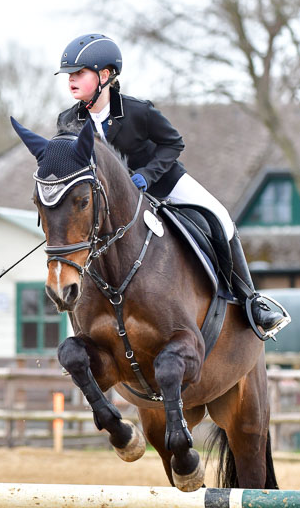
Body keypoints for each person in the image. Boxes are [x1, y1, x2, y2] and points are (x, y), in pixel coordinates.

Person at [55, 33, 287, 336]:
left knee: (220, 218)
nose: (71, 80)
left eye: (78, 73)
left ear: (105, 75)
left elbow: (173, 144)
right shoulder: (67, 122)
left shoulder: (138, 110)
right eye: (69, 75)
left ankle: (251, 301)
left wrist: (147, 175)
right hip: (110, 201)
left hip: (163, 182)